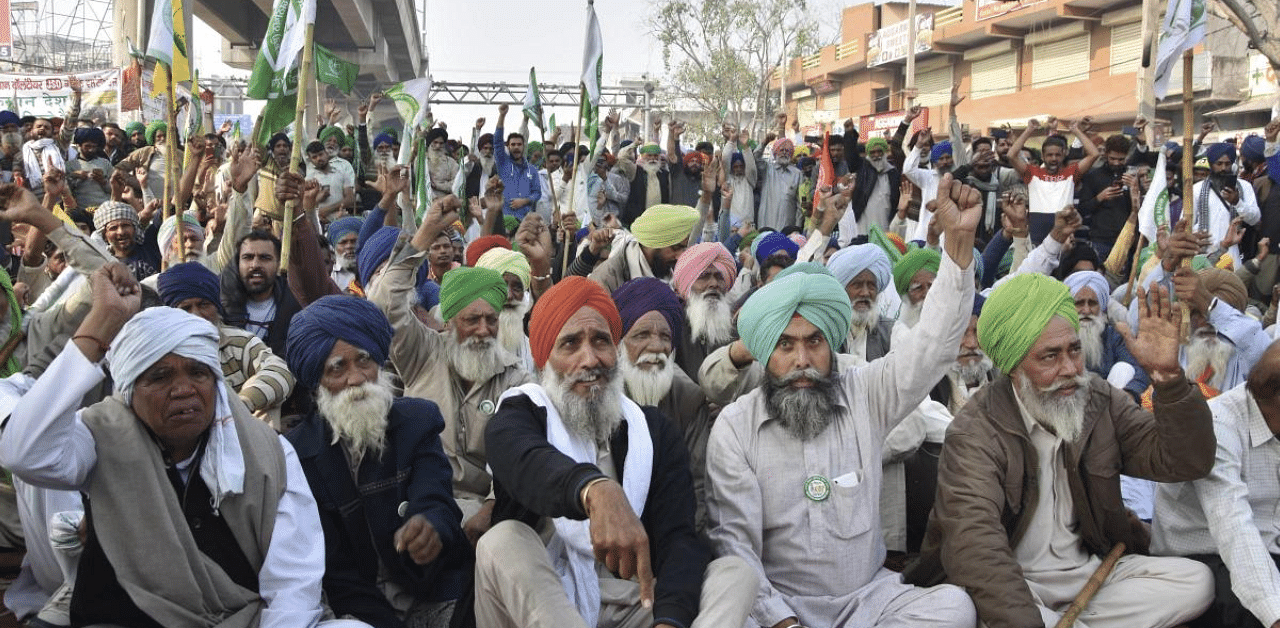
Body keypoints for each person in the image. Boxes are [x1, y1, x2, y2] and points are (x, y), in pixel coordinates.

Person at [0, 264, 367, 628]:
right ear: (129, 392)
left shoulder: (267, 453)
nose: (183, 389)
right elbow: (24, 451)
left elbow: (292, 585)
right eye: (160, 376)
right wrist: (101, 322)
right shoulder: (101, 436)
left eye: (198, 372)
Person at [705, 172, 981, 628]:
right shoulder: (736, 428)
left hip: (867, 601)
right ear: (764, 350)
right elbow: (735, 545)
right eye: (786, 345)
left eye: (814, 342)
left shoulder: (865, 394)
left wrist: (959, 244)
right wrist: (782, 621)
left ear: (831, 345)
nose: (802, 360)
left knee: (954, 608)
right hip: (777, 608)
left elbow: (932, 348)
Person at [904, 272, 1217, 628]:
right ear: (1012, 367)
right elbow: (975, 546)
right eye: (1049, 357)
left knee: (1196, 581)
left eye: (1074, 350)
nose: (1069, 369)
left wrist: (1169, 379)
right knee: (976, 605)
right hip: (1017, 582)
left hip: (1094, 574)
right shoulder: (975, 431)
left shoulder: (1098, 399)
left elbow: (1185, 461)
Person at [474, 275, 757, 628]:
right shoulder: (521, 413)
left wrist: (668, 622)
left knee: (735, 573)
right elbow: (521, 458)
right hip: (542, 599)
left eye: (600, 341)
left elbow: (677, 538)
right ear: (545, 358)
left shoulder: (651, 430)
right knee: (503, 540)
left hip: (635, 601)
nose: (589, 358)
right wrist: (594, 490)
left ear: (615, 352)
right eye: (570, 344)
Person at [285, 295, 465, 628]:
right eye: (337, 367)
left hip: (433, 588)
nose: (356, 379)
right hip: (360, 608)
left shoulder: (417, 420)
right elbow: (334, 568)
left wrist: (429, 524)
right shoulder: (299, 452)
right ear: (317, 380)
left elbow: (436, 495)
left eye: (364, 360)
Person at [364, 200, 533, 540]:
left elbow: (520, 454)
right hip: (415, 500)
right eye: (472, 320)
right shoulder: (422, 352)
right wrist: (424, 235)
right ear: (450, 321)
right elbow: (384, 304)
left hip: (484, 512)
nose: (484, 331)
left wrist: (491, 506)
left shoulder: (517, 378)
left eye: (491, 320)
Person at [1152, 340, 1280, 628]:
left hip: (1268, 543)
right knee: (1251, 611)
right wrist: (1275, 615)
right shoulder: (1219, 425)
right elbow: (1232, 525)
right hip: (1203, 556)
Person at [611, 277, 714, 533]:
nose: (656, 347)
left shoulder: (690, 400)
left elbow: (697, 490)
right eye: (642, 335)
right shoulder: (598, 394)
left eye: (665, 336)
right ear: (618, 343)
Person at [157, 262, 296, 425]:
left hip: (240, 431)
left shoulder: (238, 342)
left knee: (267, 398)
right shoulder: (162, 352)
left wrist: (241, 404)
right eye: (185, 308)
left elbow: (281, 371)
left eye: (203, 304)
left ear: (216, 306)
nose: (196, 315)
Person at [1008, 117, 1100, 243]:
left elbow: (1094, 154)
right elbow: (1011, 155)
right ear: (1042, 156)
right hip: (1037, 233)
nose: (1054, 158)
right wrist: (1029, 130)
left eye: (1058, 155)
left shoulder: (1070, 173)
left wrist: (1076, 130)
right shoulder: (1033, 172)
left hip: (1063, 231)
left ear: (1064, 155)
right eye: (1049, 155)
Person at [1063, 270, 1148, 398]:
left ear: (1101, 307)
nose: (1086, 310)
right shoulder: (1058, 336)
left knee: (1124, 368)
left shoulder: (1113, 336)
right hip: (1066, 401)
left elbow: (1138, 370)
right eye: (1079, 303)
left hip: (1108, 404)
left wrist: (1128, 395)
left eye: (1092, 303)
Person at [586, 203, 700, 292]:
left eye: (683, 249)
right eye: (675, 248)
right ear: (654, 243)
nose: (680, 256)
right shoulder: (607, 279)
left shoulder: (672, 274)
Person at [670, 242, 738, 383]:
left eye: (719, 277)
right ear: (687, 283)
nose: (714, 283)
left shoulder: (738, 327)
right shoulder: (672, 325)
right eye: (704, 276)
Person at [827, 243, 896, 362]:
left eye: (871, 286)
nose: (865, 293)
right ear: (842, 290)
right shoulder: (826, 330)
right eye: (857, 285)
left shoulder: (891, 331)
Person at [91, 200, 160, 282]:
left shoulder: (149, 245)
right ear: (104, 235)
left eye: (125, 225)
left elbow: (164, 215)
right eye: (113, 228)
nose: (121, 232)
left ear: (134, 229)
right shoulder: (104, 265)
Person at [492, 104, 541, 220]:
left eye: (519, 144)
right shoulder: (503, 164)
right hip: (504, 219)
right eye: (513, 144)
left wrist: (524, 201)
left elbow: (537, 193)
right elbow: (497, 142)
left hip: (525, 220)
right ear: (508, 147)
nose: (516, 147)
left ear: (524, 146)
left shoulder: (532, 170)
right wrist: (502, 116)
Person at [756, 117, 803, 231]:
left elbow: (800, 204)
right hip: (767, 225)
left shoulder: (797, 174)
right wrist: (764, 143)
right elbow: (755, 158)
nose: (784, 153)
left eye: (787, 151)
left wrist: (796, 228)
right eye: (781, 150)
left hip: (788, 227)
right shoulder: (767, 169)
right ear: (775, 152)